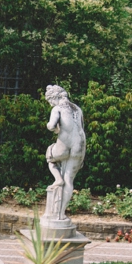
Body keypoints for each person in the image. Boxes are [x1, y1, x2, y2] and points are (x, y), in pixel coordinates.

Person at [42, 84, 85, 225]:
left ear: (54, 97)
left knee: (50, 156)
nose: (50, 104)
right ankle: (61, 215)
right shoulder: (77, 109)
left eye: (50, 101)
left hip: (64, 146)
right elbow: (81, 127)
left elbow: (51, 125)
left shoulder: (58, 108)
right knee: (69, 181)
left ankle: (57, 178)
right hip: (80, 147)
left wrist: (54, 128)